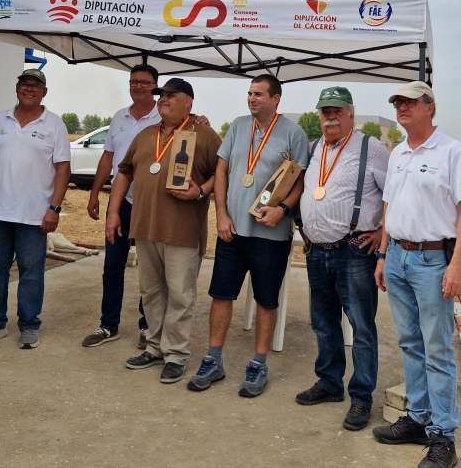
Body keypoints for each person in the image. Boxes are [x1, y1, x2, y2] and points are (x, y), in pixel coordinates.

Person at [372, 80, 461, 468]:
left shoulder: (452, 151)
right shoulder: (398, 152)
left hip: (433, 260)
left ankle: (444, 437)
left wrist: (456, 266)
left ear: (429, 107)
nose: (402, 108)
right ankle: (417, 418)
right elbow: (389, 207)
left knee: (437, 350)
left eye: (409, 102)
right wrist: (383, 254)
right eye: (397, 102)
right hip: (398, 258)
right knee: (409, 342)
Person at [188, 74, 309, 397]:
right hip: (232, 231)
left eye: (258, 94)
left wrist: (282, 209)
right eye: (250, 93)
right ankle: (213, 359)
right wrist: (222, 215)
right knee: (221, 295)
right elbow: (221, 170)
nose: (252, 99)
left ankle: (258, 364)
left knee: (266, 300)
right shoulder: (239, 126)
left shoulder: (294, 133)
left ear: (276, 99)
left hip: (271, 234)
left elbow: (299, 180)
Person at [107, 78, 221, 383]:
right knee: (151, 292)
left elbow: (223, 172)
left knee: (180, 294)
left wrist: (201, 191)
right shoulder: (146, 135)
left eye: (171, 95)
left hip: (182, 231)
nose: (163, 100)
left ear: (189, 101)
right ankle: (155, 346)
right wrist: (113, 212)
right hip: (145, 227)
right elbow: (124, 172)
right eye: (161, 96)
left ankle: (176, 354)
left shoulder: (204, 135)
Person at [296, 86, 388, 431]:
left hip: (354, 251)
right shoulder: (315, 147)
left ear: (350, 112)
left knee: (361, 326)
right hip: (317, 251)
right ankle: (330, 382)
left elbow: (395, 194)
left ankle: (361, 397)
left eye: (337, 110)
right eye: (325, 111)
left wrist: (382, 232)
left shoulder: (371, 148)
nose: (330, 116)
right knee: (323, 322)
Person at [0, 69, 71, 350]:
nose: (29, 89)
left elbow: (63, 168)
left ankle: (29, 325)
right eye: (25, 84)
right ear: (17, 89)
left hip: (34, 214)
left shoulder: (54, 124)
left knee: (31, 272)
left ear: (44, 92)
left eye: (36, 86)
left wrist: (54, 208)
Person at [81, 64, 160, 348]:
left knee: (151, 268)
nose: (138, 86)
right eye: (134, 81)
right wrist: (94, 193)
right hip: (120, 201)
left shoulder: (164, 116)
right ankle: (108, 325)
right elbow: (108, 157)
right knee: (113, 264)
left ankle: (147, 326)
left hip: (151, 204)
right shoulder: (119, 117)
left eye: (144, 82)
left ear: (155, 86)